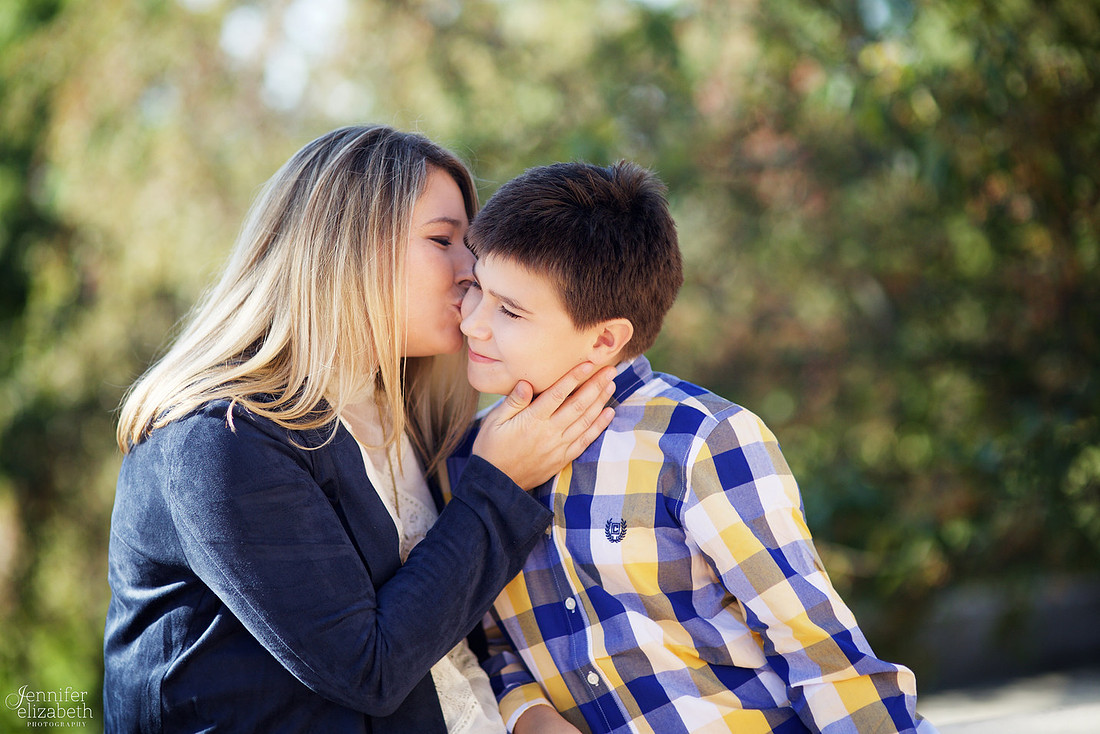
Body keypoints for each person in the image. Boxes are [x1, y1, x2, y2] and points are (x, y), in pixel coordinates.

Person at [103, 126, 618, 733]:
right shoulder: (220, 441)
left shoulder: (399, 420)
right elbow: (367, 670)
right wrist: (497, 485)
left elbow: (449, 638)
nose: (473, 270)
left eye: (471, 245)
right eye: (443, 240)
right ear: (345, 248)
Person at [448, 161, 938, 733]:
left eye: (509, 310)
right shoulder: (468, 460)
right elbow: (489, 640)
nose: (472, 323)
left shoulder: (700, 441)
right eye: (476, 288)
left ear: (605, 338)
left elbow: (819, 651)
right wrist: (529, 714)